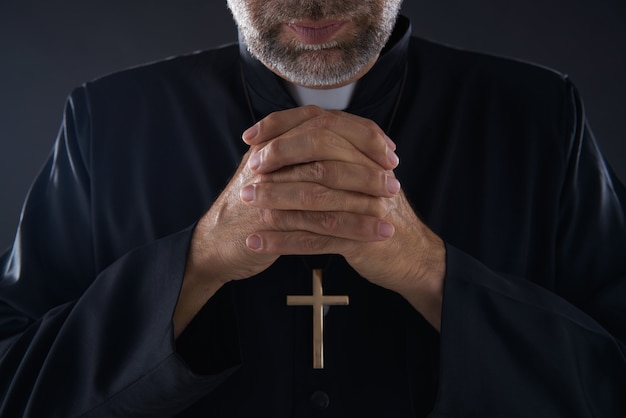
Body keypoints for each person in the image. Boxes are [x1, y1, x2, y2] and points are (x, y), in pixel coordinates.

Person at [0, 0, 625, 416]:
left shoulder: (540, 115)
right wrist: (197, 263)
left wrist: (430, 271)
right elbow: (14, 383)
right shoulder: (106, 120)